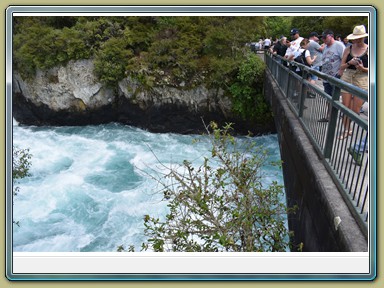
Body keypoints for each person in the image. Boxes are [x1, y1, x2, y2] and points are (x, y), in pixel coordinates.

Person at [338, 25, 368, 140]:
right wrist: (350, 62)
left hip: (362, 78)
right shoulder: (348, 48)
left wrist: (363, 68)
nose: (356, 40)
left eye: (359, 38)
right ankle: (347, 129)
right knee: (345, 107)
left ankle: (349, 127)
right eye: (355, 38)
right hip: (348, 76)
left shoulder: (370, 49)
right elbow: (342, 66)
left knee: (355, 110)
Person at [317, 29, 345, 122]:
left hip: (335, 77)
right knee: (328, 98)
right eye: (322, 38)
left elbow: (344, 60)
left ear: (331, 36)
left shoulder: (339, 45)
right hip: (326, 78)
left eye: (325, 37)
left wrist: (340, 73)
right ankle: (329, 116)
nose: (323, 39)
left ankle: (335, 117)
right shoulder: (325, 47)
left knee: (335, 98)